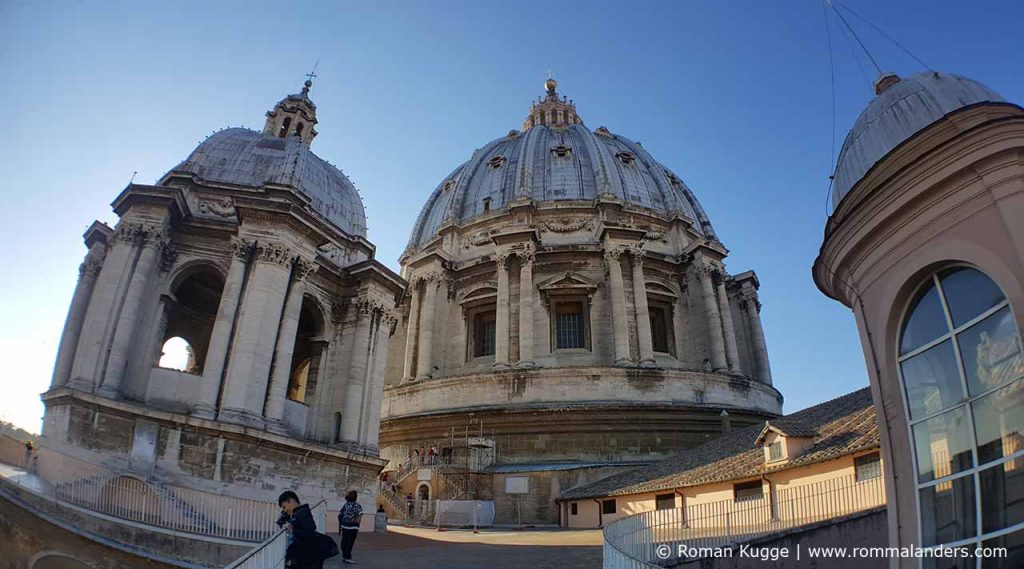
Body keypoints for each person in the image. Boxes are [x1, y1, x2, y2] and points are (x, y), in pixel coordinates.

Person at [278, 491, 338, 569]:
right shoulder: (295, 513)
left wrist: (293, 530)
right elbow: (280, 521)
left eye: (284, 507)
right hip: (306, 552)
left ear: (290, 501)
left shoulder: (303, 512)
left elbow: (310, 531)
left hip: (311, 552)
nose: (285, 510)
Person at [337, 490, 363, 565]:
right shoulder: (357, 505)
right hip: (353, 527)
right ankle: (347, 557)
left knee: (344, 541)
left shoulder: (346, 505)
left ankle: (344, 555)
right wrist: (357, 523)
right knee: (350, 543)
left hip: (344, 526)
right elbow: (360, 515)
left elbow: (341, 513)